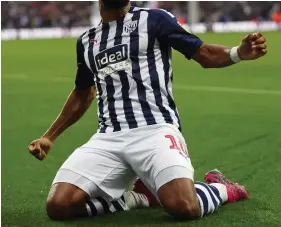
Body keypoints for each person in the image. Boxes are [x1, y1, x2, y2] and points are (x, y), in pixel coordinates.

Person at [28, 0, 267, 221]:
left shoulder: (153, 20)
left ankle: (221, 187)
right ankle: (136, 198)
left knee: (183, 206)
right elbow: (83, 92)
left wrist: (238, 53)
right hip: (108, 137)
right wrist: (49, 136)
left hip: (156, 130)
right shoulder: (87, 40)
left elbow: (203, 54)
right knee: (59, 206)